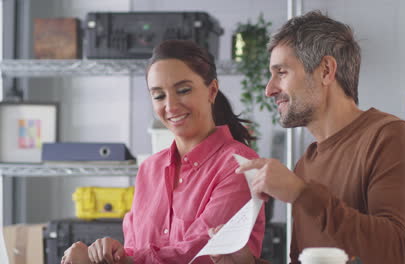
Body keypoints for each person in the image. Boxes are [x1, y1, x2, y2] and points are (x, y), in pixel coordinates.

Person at [213, 10, 405, 264]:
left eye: (282, 72)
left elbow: (398, 252)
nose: (269, 89)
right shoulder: (306, 165)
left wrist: (302, 194)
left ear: (326, 70)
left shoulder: (392, 139)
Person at [61, 39, 265, 264]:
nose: (171, 106)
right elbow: (135, 247)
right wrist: (110, 252)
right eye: (159, 95)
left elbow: (201, 253)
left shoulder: (240, 164)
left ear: (212, 91)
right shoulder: (150, 169)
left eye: (183, 90)